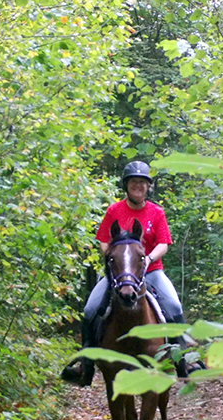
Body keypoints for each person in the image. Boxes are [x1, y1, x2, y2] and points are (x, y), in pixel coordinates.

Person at [61, 160, 188, 387]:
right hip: (119, 273)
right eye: (133, 182)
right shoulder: (114, 210)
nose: (138, 186)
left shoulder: (156, 212)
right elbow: (102, 239)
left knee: (174, 307)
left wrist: (148, 259)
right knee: (91, 308)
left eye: (142, 182)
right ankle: (85, 365)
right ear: (126, 185)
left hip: (151, 271)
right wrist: (113, 260)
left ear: (148, 187)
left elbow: (163, 244)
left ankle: (183, 362)